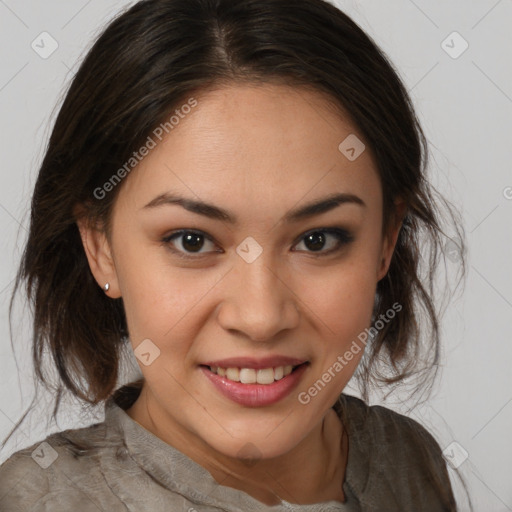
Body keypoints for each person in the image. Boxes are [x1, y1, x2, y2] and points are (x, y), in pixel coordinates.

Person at [0, 0, 471, 510]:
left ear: (385, 241)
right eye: (192, 240)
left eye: (318, 240)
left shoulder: (410, 462)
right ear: (101, 248)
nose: (261, 317)